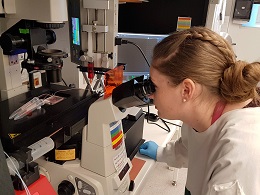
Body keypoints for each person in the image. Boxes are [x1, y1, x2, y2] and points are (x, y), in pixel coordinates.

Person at [139, 26, 260, 195]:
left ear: (186, 90)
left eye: (155, 86)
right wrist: (160, 153)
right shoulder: (201, 111)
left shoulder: (240, 153)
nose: (150, 95)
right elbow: (190, 149)